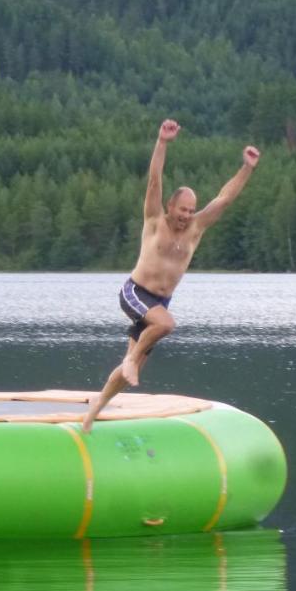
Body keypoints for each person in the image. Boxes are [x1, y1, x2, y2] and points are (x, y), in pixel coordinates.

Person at [81, 119, 260, 433]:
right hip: (135, 293)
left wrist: (247, 168)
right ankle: (131, 361)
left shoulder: (196, 229)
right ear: (170, 207)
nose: (187, 216)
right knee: (165, 325)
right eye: (182, 210)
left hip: (158, 302)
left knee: (128, 372)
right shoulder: (154, 220)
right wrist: (162, 142)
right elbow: (154, 180)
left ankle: (94, 409)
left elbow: (225, 198)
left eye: (191, 210)